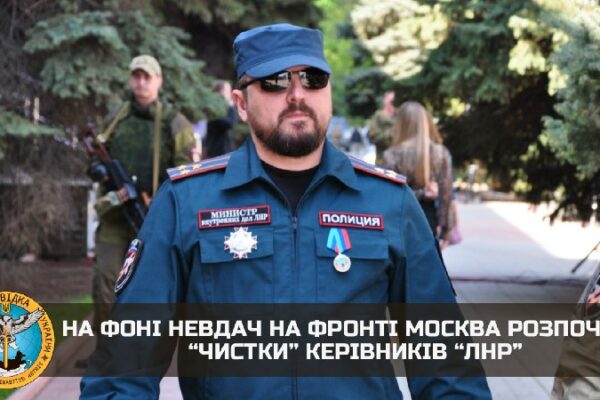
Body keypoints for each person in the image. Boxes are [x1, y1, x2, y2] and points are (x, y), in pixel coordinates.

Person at [80, 24, 490, 399]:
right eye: (275, 81)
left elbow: (449, 369)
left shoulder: (390, 203)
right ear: (241, 104)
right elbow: (122, 371)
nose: (297, 94)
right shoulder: (186, 202)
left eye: (313, 78)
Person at [90, 55, 195, 336]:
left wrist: (159, 198)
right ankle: (107, 348)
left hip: (154, 219)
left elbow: (188, 173)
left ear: (158, 81)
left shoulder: (175, 122)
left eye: (147, 77)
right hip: (114, 217)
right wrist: (101, 173)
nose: (141, 82)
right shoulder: (115, 119)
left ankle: (145, 347)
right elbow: (95, 158)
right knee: (105, 281)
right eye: (136, 76)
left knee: (152, 287)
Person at [382, 101, 453, 248]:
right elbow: (446, 196)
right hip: (428, 219)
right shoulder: (441, 153)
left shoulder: (391, 155)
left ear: (400, 124)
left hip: (399, 222)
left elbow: (388, 196)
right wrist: (445, 230)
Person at [203, 80, 237, 158]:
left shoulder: (219, 108)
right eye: (227, 91)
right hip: (217, 153)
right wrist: (231, 107)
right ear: (219, 93)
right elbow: (230, 123)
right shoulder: (214, 109)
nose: (230, 94)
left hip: (221, 152)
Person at [367, 90, 395, 165]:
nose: (392, 103)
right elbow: (373, 137)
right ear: (385, 101)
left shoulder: (401, 117)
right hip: (383, 162)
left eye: (394, 101)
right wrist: (390, 133)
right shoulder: (378, 116)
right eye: (391, 101)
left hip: (400, 164)